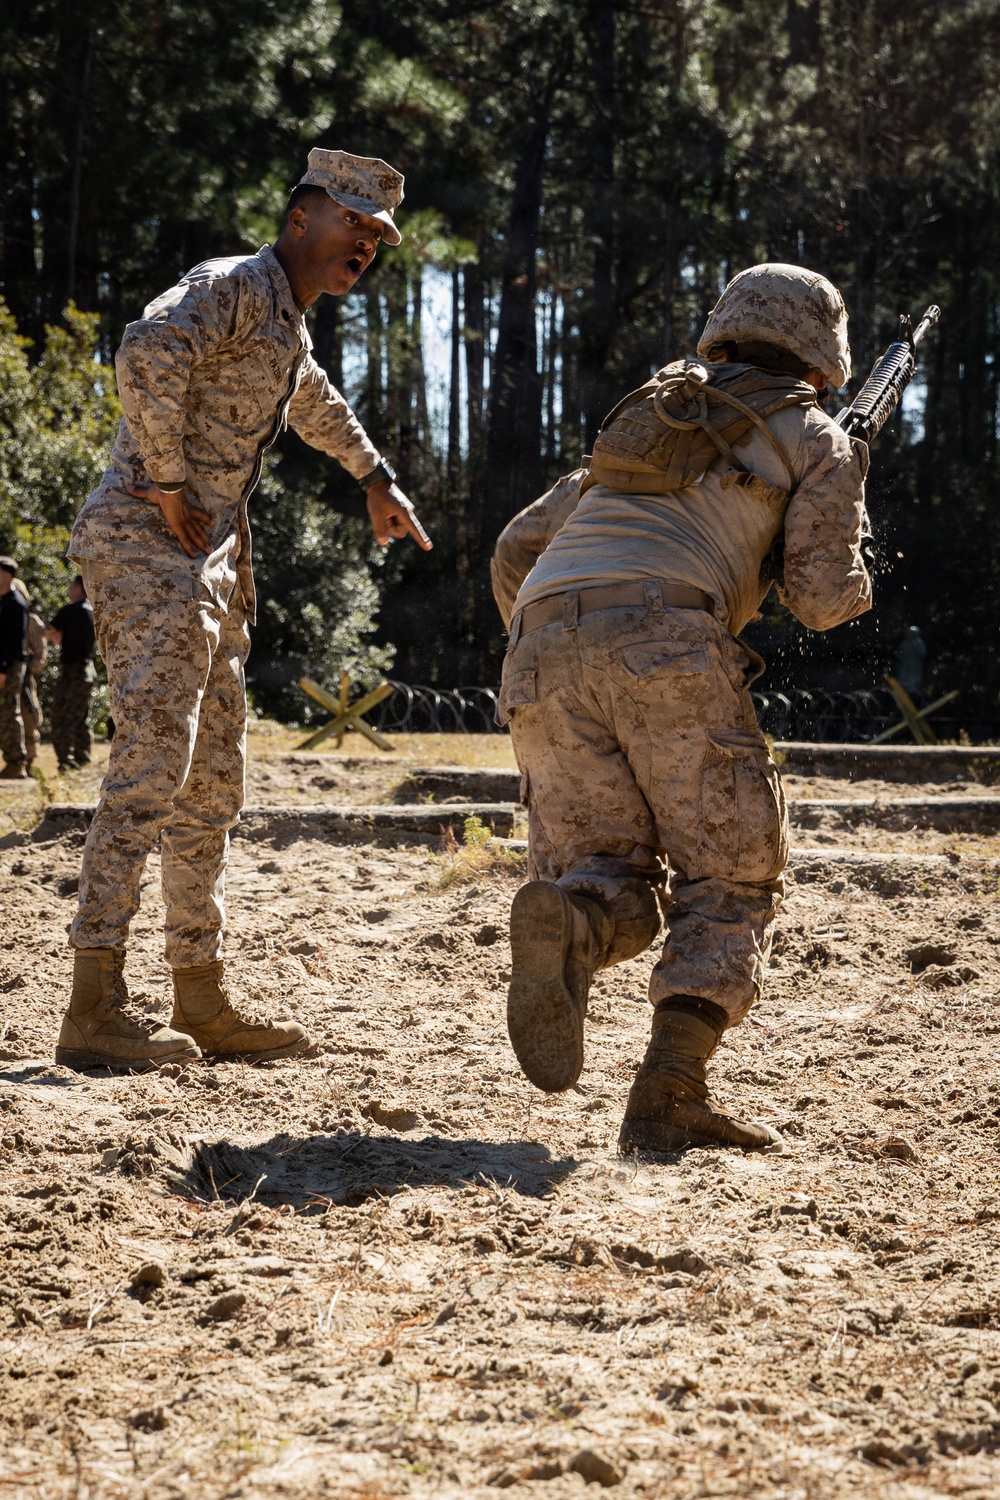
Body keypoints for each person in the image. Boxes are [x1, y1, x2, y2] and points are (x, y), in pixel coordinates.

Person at [57, 147, 431, 1073]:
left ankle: (199, 993)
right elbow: (146, 351)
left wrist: (376, 477)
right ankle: (94, 999)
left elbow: (313, 403)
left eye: (378, 238)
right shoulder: (231, 285)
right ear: (302, 217)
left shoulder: (288, 329)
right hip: (152, 545)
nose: (367, 247)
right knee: (153, 762)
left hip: (213, 564)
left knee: (215, 782)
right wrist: (172, 480)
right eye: (354, 226)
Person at [492, 263, 871, 1152]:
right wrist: (843, 547)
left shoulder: (655, 414)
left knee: (603, 870)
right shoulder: (818, 435)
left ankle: (575, 925)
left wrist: (555, 646)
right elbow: (821, 600)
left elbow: (517, 546)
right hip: (667, 634)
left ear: (724, 332)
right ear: (822, 358)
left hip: (540, 641)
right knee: (731, 877)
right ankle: (669, 1092)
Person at [45, 574, 96, 771]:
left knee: (62, 717)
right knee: (82, 716)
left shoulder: (70, 610)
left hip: (72, 670)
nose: (68, 590)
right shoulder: (92, 610)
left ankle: (65, 762)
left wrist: (57, 637)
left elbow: (49, 630)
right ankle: (82, 757)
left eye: (70, 586)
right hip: (88, 669)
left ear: (77, 587)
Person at [11, 578, 47, 770]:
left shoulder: (32, 621)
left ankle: (29, 760)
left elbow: (41, 656)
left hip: (24, 680)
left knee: (29, 717)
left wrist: (24, 670)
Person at [0, 557, 29, 780]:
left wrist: (3, 670)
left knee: (9, 712)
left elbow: (13, 642)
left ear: (7, 575)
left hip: (8, 667)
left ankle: (16, 764)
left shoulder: (14, 603)